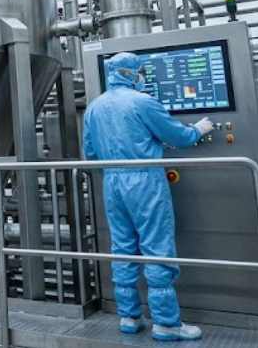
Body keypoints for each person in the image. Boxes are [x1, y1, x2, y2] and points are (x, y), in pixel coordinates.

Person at [83, 52, 217, 342]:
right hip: (145, 182)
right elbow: (179, 137)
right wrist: (198, 129)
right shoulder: (143, 102)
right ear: (131, 74)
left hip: (112, 183)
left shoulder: (94, 107)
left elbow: (91, 154)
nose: (141, 76)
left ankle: (130, 317)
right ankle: (167, 323)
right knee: (157, 247)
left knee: (122, 248)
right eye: (139, 71)